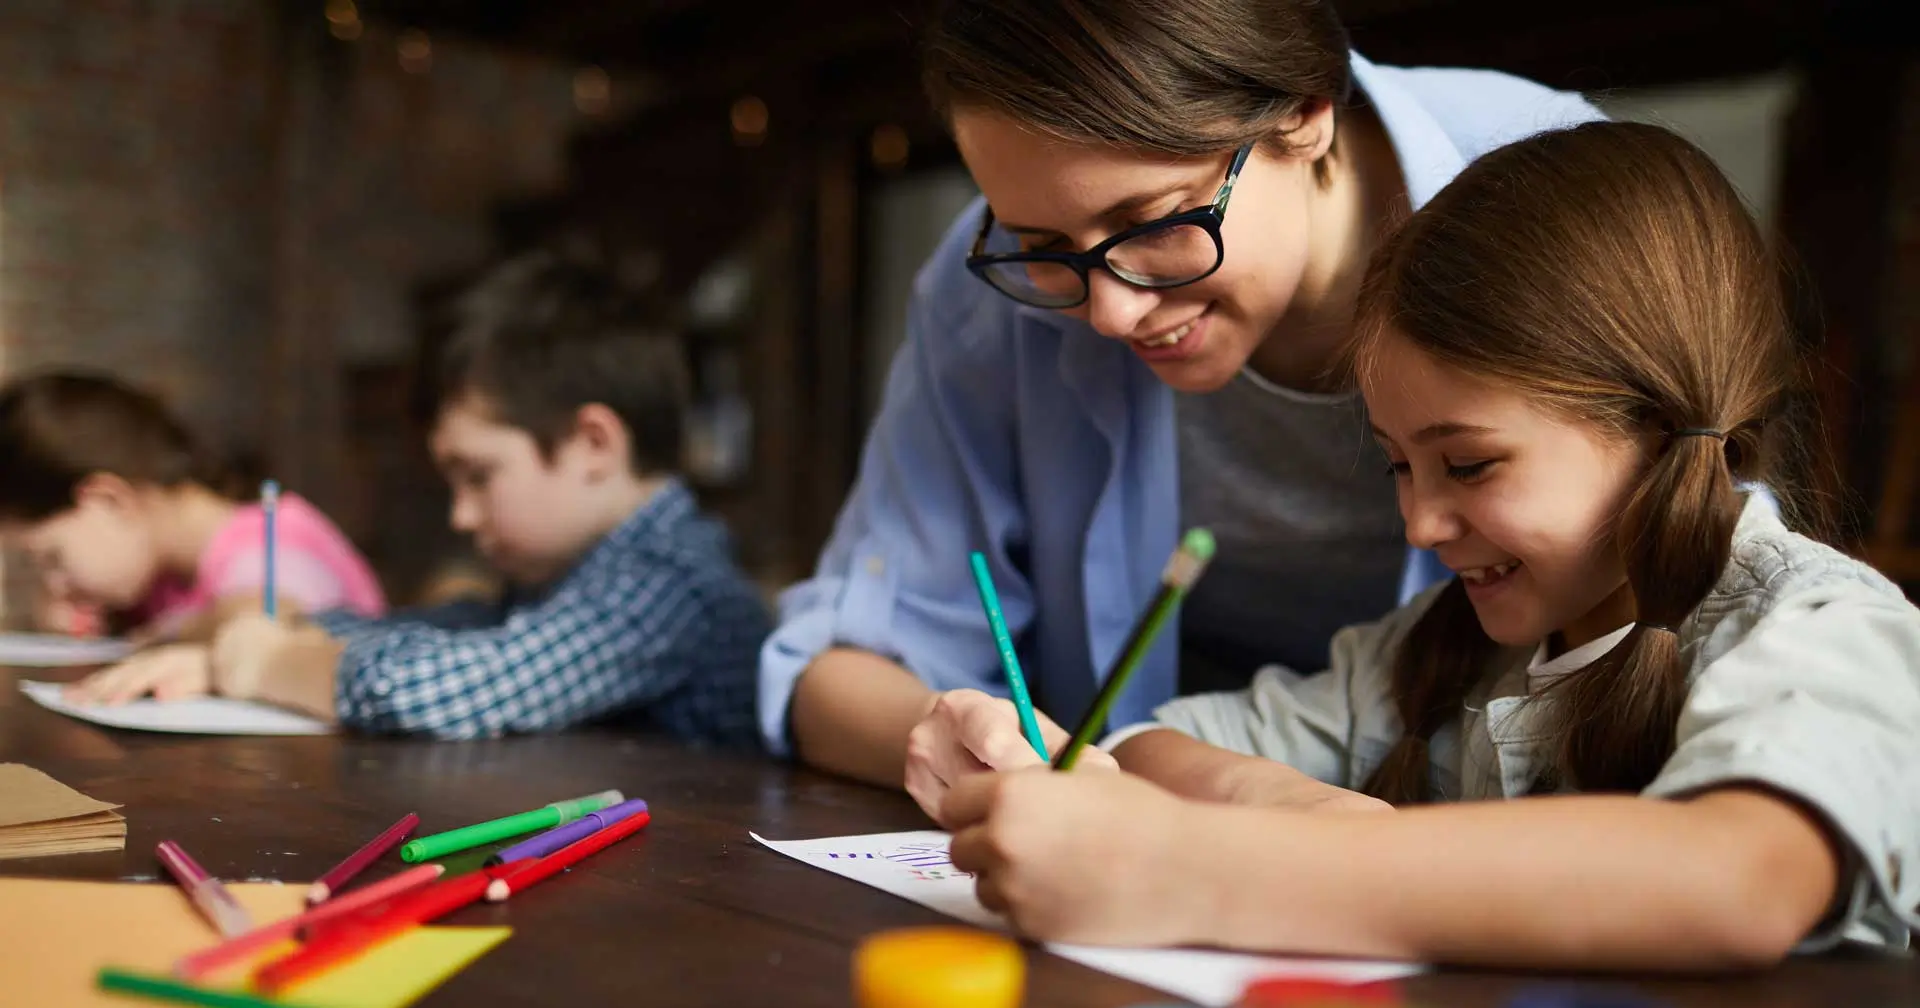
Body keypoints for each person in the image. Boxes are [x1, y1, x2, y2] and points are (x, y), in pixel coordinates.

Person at [903, 122, 1920, 967]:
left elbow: (1736, 880)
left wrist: (1193, 869)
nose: (1420, 525)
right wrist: (1296, 805)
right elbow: (1155, 745)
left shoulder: (1824, 629)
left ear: (1657, 429)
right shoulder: (1430, 648)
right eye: (1398, 465)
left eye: (1469, 464)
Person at [762, 0, 1603, 782]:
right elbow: (829, 671)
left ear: (1306, 113)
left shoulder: (1572, 203)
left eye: (1154, 221)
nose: (1110, 312)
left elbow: (1705, 622)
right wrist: (974, 744)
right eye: (1045, 242)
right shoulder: (990, 284)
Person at [179, 248, 767, 744]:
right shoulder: (579, 569)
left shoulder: (666, 585)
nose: (460, 516)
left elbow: (445, 688)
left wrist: (268, 663)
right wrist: (289, 629)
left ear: (593, 445)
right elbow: (449, 631)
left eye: (479, 476)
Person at [0, 369, 385, 701]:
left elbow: (268, 618)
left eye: (53, 559)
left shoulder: (275, 540)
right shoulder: (158, 576)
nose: (56, 585)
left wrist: (151, 637)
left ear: (109, 500)